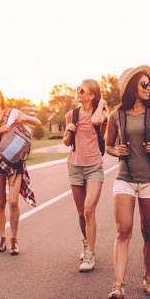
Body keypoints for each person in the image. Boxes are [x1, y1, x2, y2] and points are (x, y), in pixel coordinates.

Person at [105, 65, 150, 299]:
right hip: (124, 179)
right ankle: (118, 286)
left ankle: (148, 278)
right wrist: (118, 150)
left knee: (148, 231)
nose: (148, 87)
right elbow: (109, 145)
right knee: (123, 230)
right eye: (143, 84)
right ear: (132, 86)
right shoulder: (117, 115)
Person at [0, 87, 41, 255]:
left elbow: (37, 122)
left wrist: (25, 118)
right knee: (1, 203)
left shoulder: (12, 113)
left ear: (1, 98)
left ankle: (14, 240)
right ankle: (2, 238)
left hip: (15, 163)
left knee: (13, 202)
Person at [63, 79, 107, 272]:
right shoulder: (70, 115)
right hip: (74, 166)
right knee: (81, 213)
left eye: (82, 90)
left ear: (92, 95)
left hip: (94, 167)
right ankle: (86, 242)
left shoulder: (102, 114)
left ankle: (90, 255)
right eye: (77, 89)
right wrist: (68, 131)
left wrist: (102, 102)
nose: (78, 92)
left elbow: (97, 121)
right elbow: (66, 142)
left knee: (89, 210)